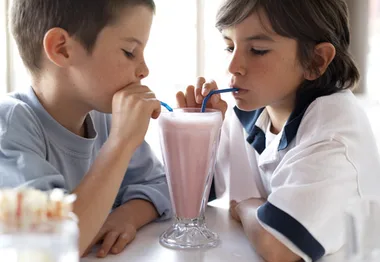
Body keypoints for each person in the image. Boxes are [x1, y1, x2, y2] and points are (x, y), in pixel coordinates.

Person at [177, 0, 380, 261]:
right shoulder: (253, 110)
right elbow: (190, 198)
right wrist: (199, 134)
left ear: (316, 61)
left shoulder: (333, 134)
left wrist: (248, 206)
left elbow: (279, 247)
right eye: (229, 46)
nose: (232, 66)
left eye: (258, 50)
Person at [0, 0, 171, 258]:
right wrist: (121, 143)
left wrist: (127, 216)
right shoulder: (10, 125)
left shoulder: (101, 117)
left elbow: (161, 184)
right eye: (129, 51)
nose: (144, 70)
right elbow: (47, 245)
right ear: (62, 49)